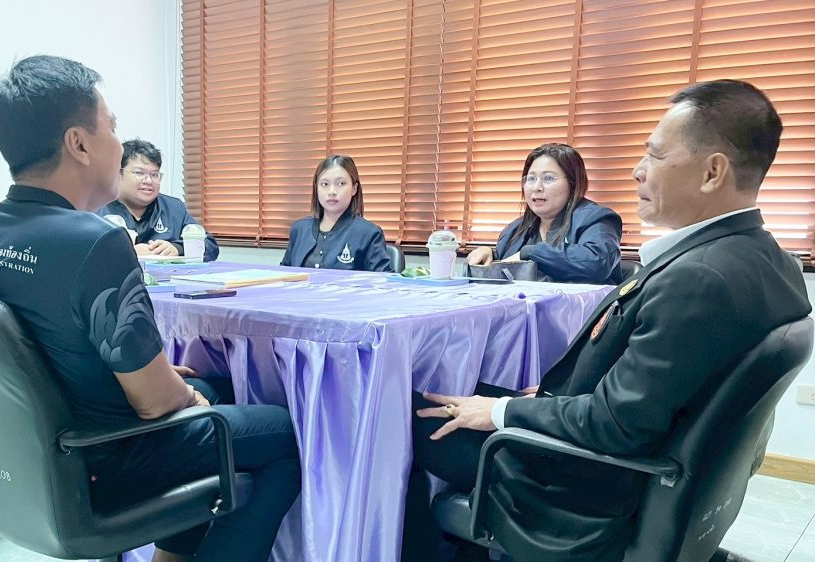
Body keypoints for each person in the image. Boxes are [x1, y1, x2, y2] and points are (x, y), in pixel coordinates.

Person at [403, 80, 811, 561]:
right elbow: (658, 389)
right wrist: (547, 398)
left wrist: (499, 412)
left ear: (712, 172)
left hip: (581, 485)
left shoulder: (699, 278)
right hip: (630, 461)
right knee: (453, 393)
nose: (638, 171)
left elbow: (615, 424)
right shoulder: (771, 260)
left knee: (402, 413)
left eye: (655, 155)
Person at [0, 55, 299, 562]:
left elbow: (51, 347)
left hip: (34, 453)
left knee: (217, 388)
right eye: (112, 128)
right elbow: (155, 405)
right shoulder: (94, 241)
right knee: (286, 437)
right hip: (105, 457)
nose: (118, 145)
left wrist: (170, 380)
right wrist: (183, 395)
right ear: (79, 143)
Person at [464, 143, 623, 284]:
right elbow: (504, 269)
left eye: (548, 178)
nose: (537, 187)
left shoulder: (596, 219)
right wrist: (489, 254)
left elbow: (597, 262)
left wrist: (530, 252)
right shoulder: (514, 230)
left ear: (573, 184)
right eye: (531, 179)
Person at [97, 139, 219, 261]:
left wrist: (178, 248)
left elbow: (209, 244)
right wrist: (127, 251)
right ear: (118, 174)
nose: (149, 181)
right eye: (139, 173)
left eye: (154, 174)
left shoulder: (173, 208)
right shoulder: (96, 209)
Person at [281, 155, 392, 272]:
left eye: (341, 183)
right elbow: (283, 273)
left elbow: (383, 280)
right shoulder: (299, 229)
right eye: (325, 184)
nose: (332, 192)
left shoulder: (369, 233)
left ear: (354, 189)